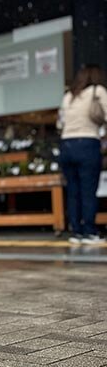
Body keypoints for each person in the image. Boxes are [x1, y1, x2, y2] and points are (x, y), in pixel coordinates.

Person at [58, 65, 106, 244]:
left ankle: (75, 231)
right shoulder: (97, 91)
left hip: (66, 144)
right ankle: (89, 231)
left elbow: (60, 123)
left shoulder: (69, 96)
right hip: (87, 143)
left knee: (73, 191)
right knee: (88, 190)